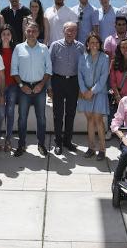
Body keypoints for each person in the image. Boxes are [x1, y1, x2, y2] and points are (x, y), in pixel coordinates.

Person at [11, 22, 53, 157]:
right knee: (22, 118)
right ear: (25, 32)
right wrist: (22, 86)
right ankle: (21, 144)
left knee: (41, 118)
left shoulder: (44, 49)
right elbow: (14, 70)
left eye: (34, 31)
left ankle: (41, 144)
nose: (31, 33)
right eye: (29, 31)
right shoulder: (18, 48)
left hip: (40, 88)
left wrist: (42, 85)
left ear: (38, 32)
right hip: (24, 88)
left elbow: (48, 70)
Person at [49, 22, 85, 155]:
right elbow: (49, 66)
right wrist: (49, 86)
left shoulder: (81, 47)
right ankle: (58, 142)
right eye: (68, 31)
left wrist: (82, 87)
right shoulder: (55, 45)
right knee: (58, 114)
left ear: (76, 32)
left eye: (73, 31)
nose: (70, 33)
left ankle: (67, 141)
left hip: (73, 83)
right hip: (58, 81)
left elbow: (83, 68)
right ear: (63, 31)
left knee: (70, 113)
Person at [77, 33, 110, 160]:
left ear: (100, 44)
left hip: (99, 93)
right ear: (87, 44)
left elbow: (103, 78)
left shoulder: (105, 57)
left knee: (98, 120)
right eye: (92, 42)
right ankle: (91, 147)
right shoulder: (82, 58)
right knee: (89, 120)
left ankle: (102, 149)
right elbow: (80, 75)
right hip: (85, 94)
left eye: (96, 42)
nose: (94, 45)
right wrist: (85, 91)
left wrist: (92, 91)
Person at [0, 25, 19, 152]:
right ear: (0, 36)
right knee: (0, 114)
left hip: (13, 85)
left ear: (11, 36)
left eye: (8, 34)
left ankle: (8, 139)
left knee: (10, 113)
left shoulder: (16, 49)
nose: (6, 36)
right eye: (4, 34)